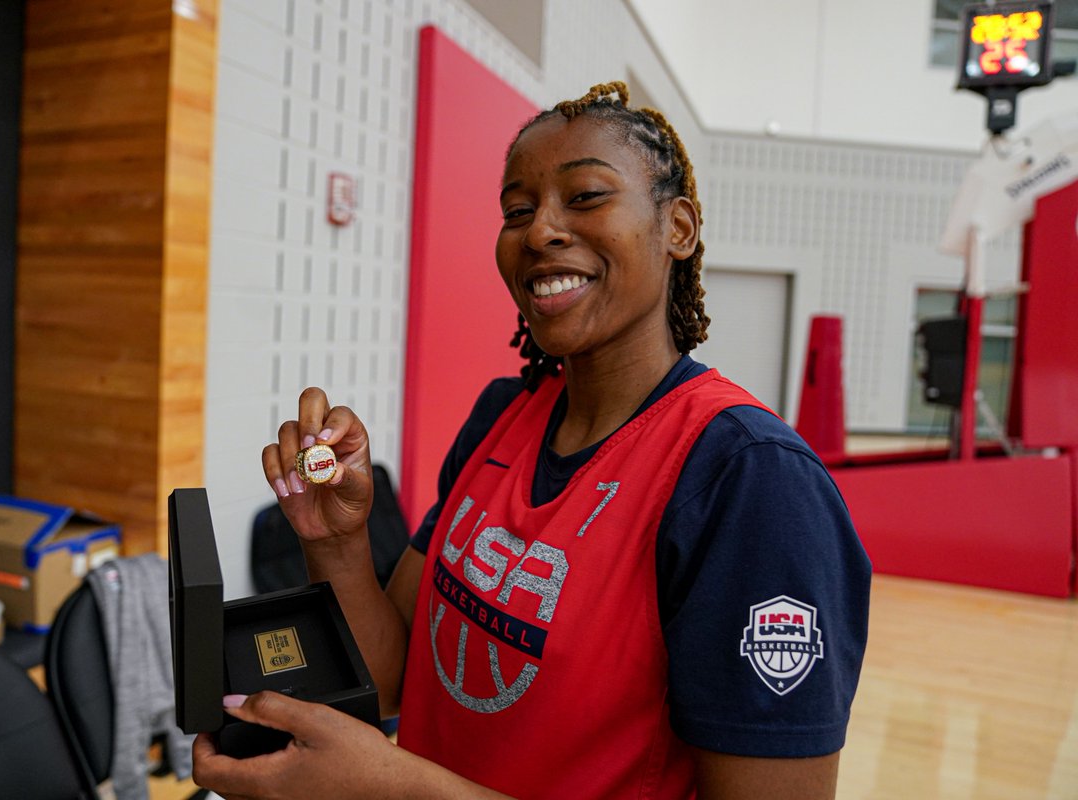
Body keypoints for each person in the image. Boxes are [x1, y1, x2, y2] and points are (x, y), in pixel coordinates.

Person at [193, 82, 871, 799]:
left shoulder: (749, 480)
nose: (540, 229)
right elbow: (394, 678)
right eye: (517, 210)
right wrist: (337, 542)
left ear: (678, 228)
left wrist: (391, 787)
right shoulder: (501, 415)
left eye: (585, 197)